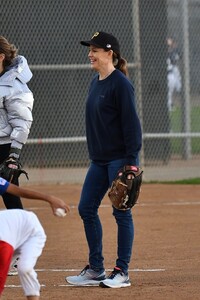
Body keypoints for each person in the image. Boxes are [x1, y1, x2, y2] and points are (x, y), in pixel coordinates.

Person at [66, 31, 142, 288]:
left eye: (95, 50)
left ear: (110, 53)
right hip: (98, 160)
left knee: (121, 212)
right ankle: (96, 268)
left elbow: (132, 126)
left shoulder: (120, 84)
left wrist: (131, 163)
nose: (90, 54)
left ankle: (122, 271)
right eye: (90, 50)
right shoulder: (96, 81)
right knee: (86, 208)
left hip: (118, 159)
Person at [0, 176, 70, 299]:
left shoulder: (3, 245)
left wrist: (50, 198)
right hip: (12, 231)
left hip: (30, 231)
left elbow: (17, 191)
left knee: (24, 268)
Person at [0, 35, 34, 209]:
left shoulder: (14, 85)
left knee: (11, 197)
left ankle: (21, 234)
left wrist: (13, 157)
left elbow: (22, 122)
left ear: (1, 57)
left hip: (4, 149)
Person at [166, 37, 182, 111]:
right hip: (170, 73)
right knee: (169, 91)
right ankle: (169, 104)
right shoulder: (168, 53)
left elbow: (179, 56)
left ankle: (170, 104)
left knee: (170, 91)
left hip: (171, 73)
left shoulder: (172, 52)